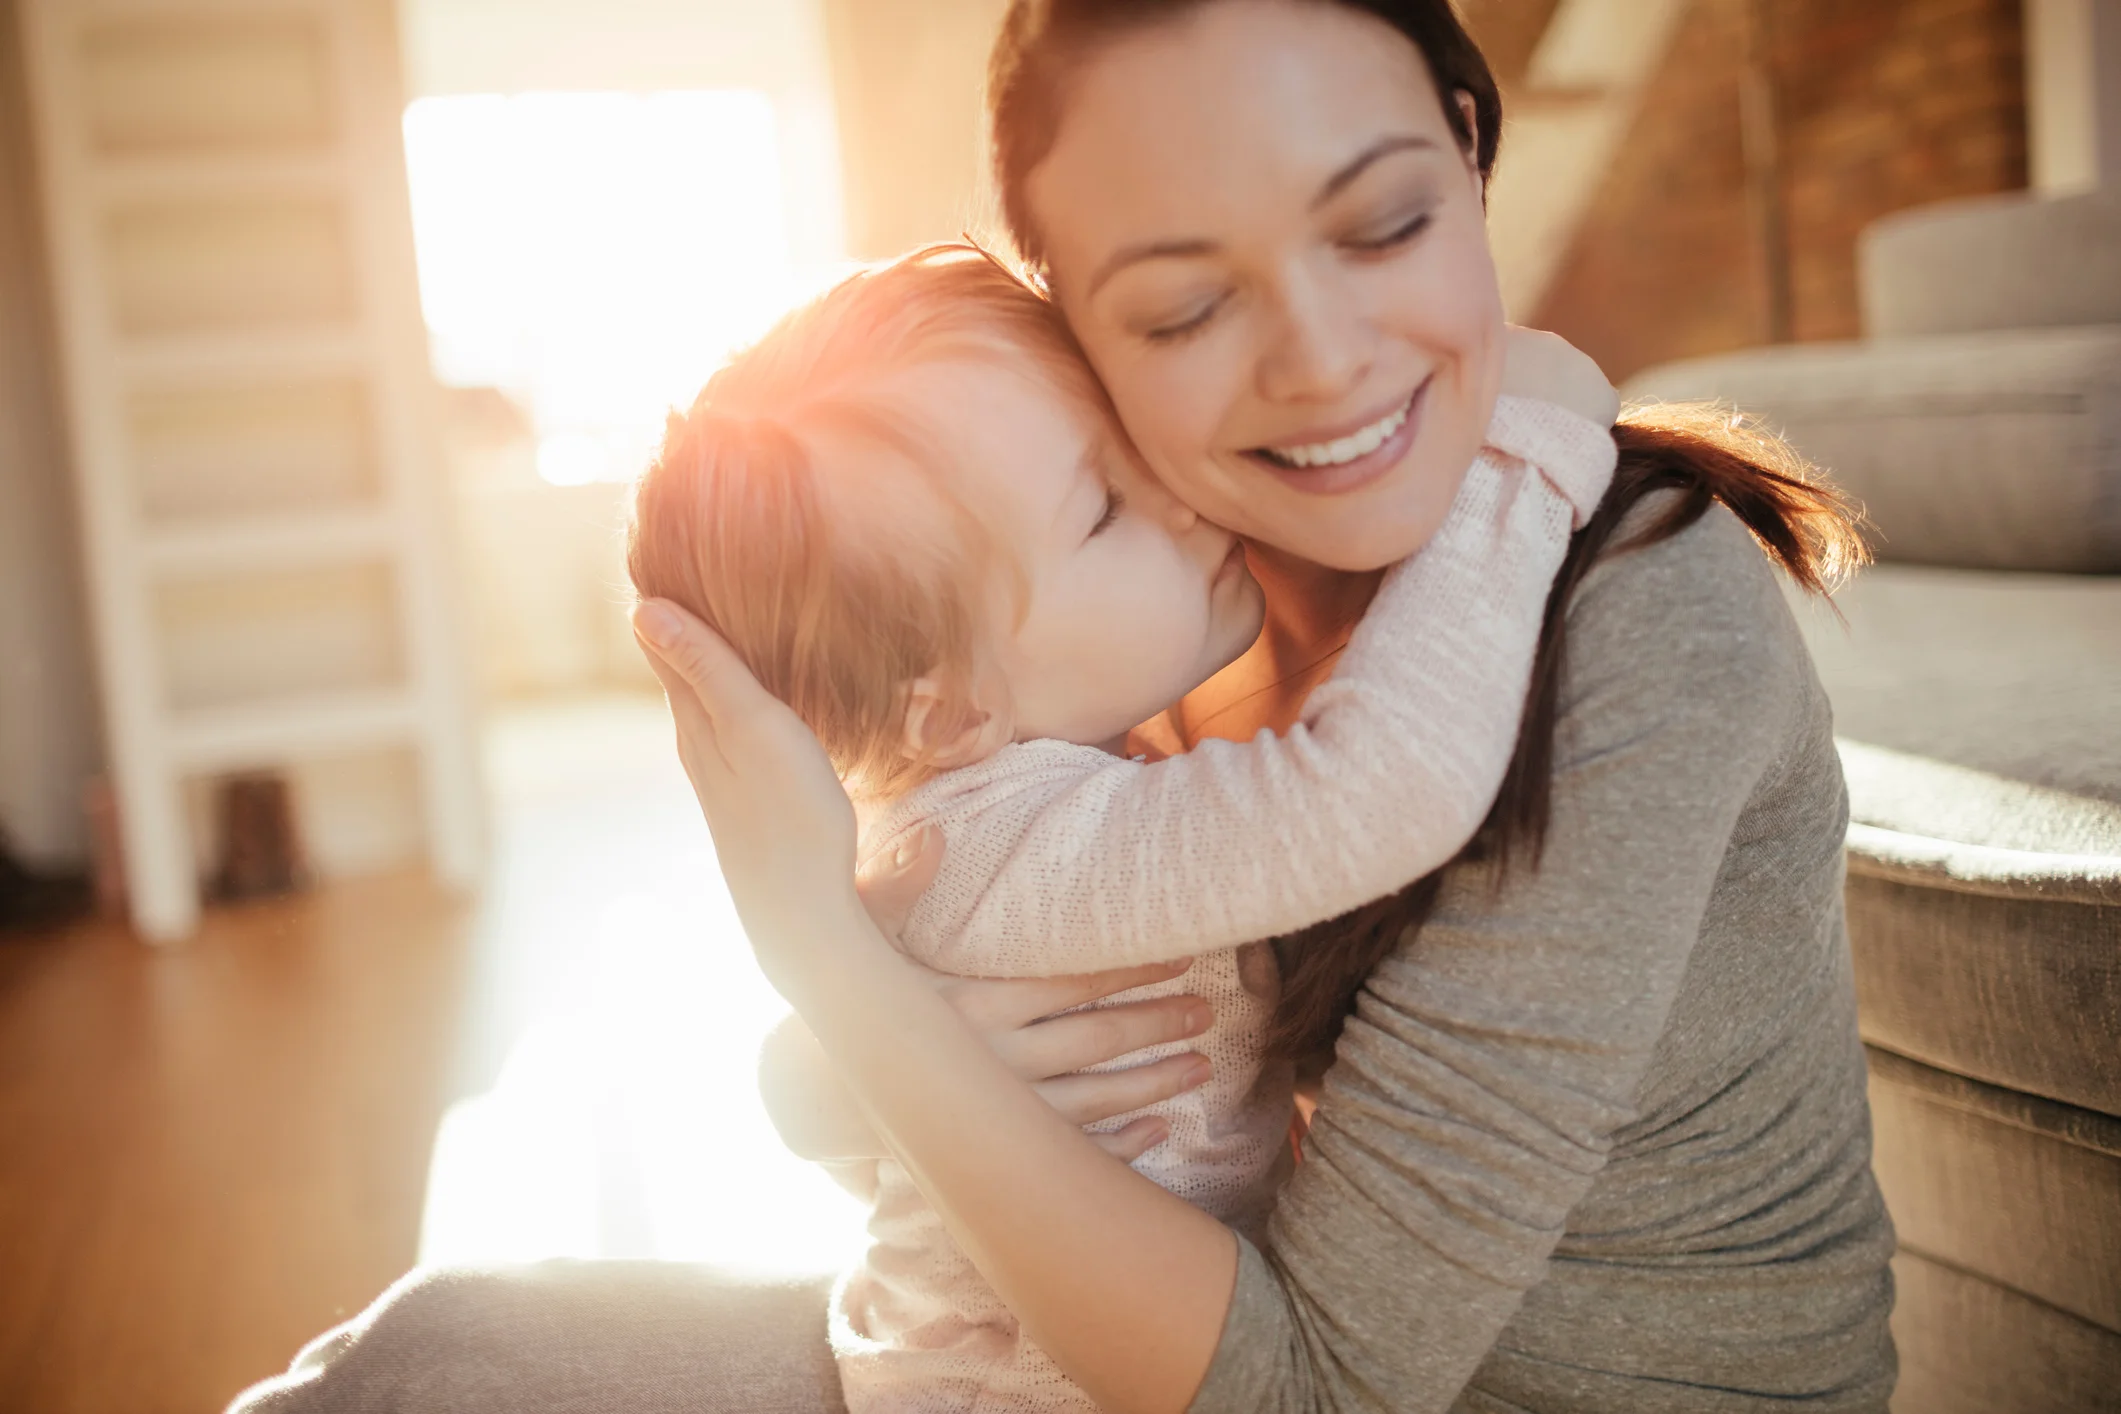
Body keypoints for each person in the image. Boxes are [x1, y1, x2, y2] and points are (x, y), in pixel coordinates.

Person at [231, 2, 1893, 1411]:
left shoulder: (1637, 614)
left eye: (1381, 219)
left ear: (1471, 151)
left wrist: (839, 970)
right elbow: (913, 1056)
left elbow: (1303, 1379)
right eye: (1182, 303)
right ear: (1075, 327)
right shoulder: (1161, 607)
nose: (1319, 360)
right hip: (1104, 1324)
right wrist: (856, 1043)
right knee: (430, 1347)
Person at [626, 241, 1616, 1412]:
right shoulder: (1020, 855)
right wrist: (1521, 455)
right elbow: (1375, 790)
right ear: (950, 712)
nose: (1181, 499)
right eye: (1103, 510)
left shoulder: (979, 808)